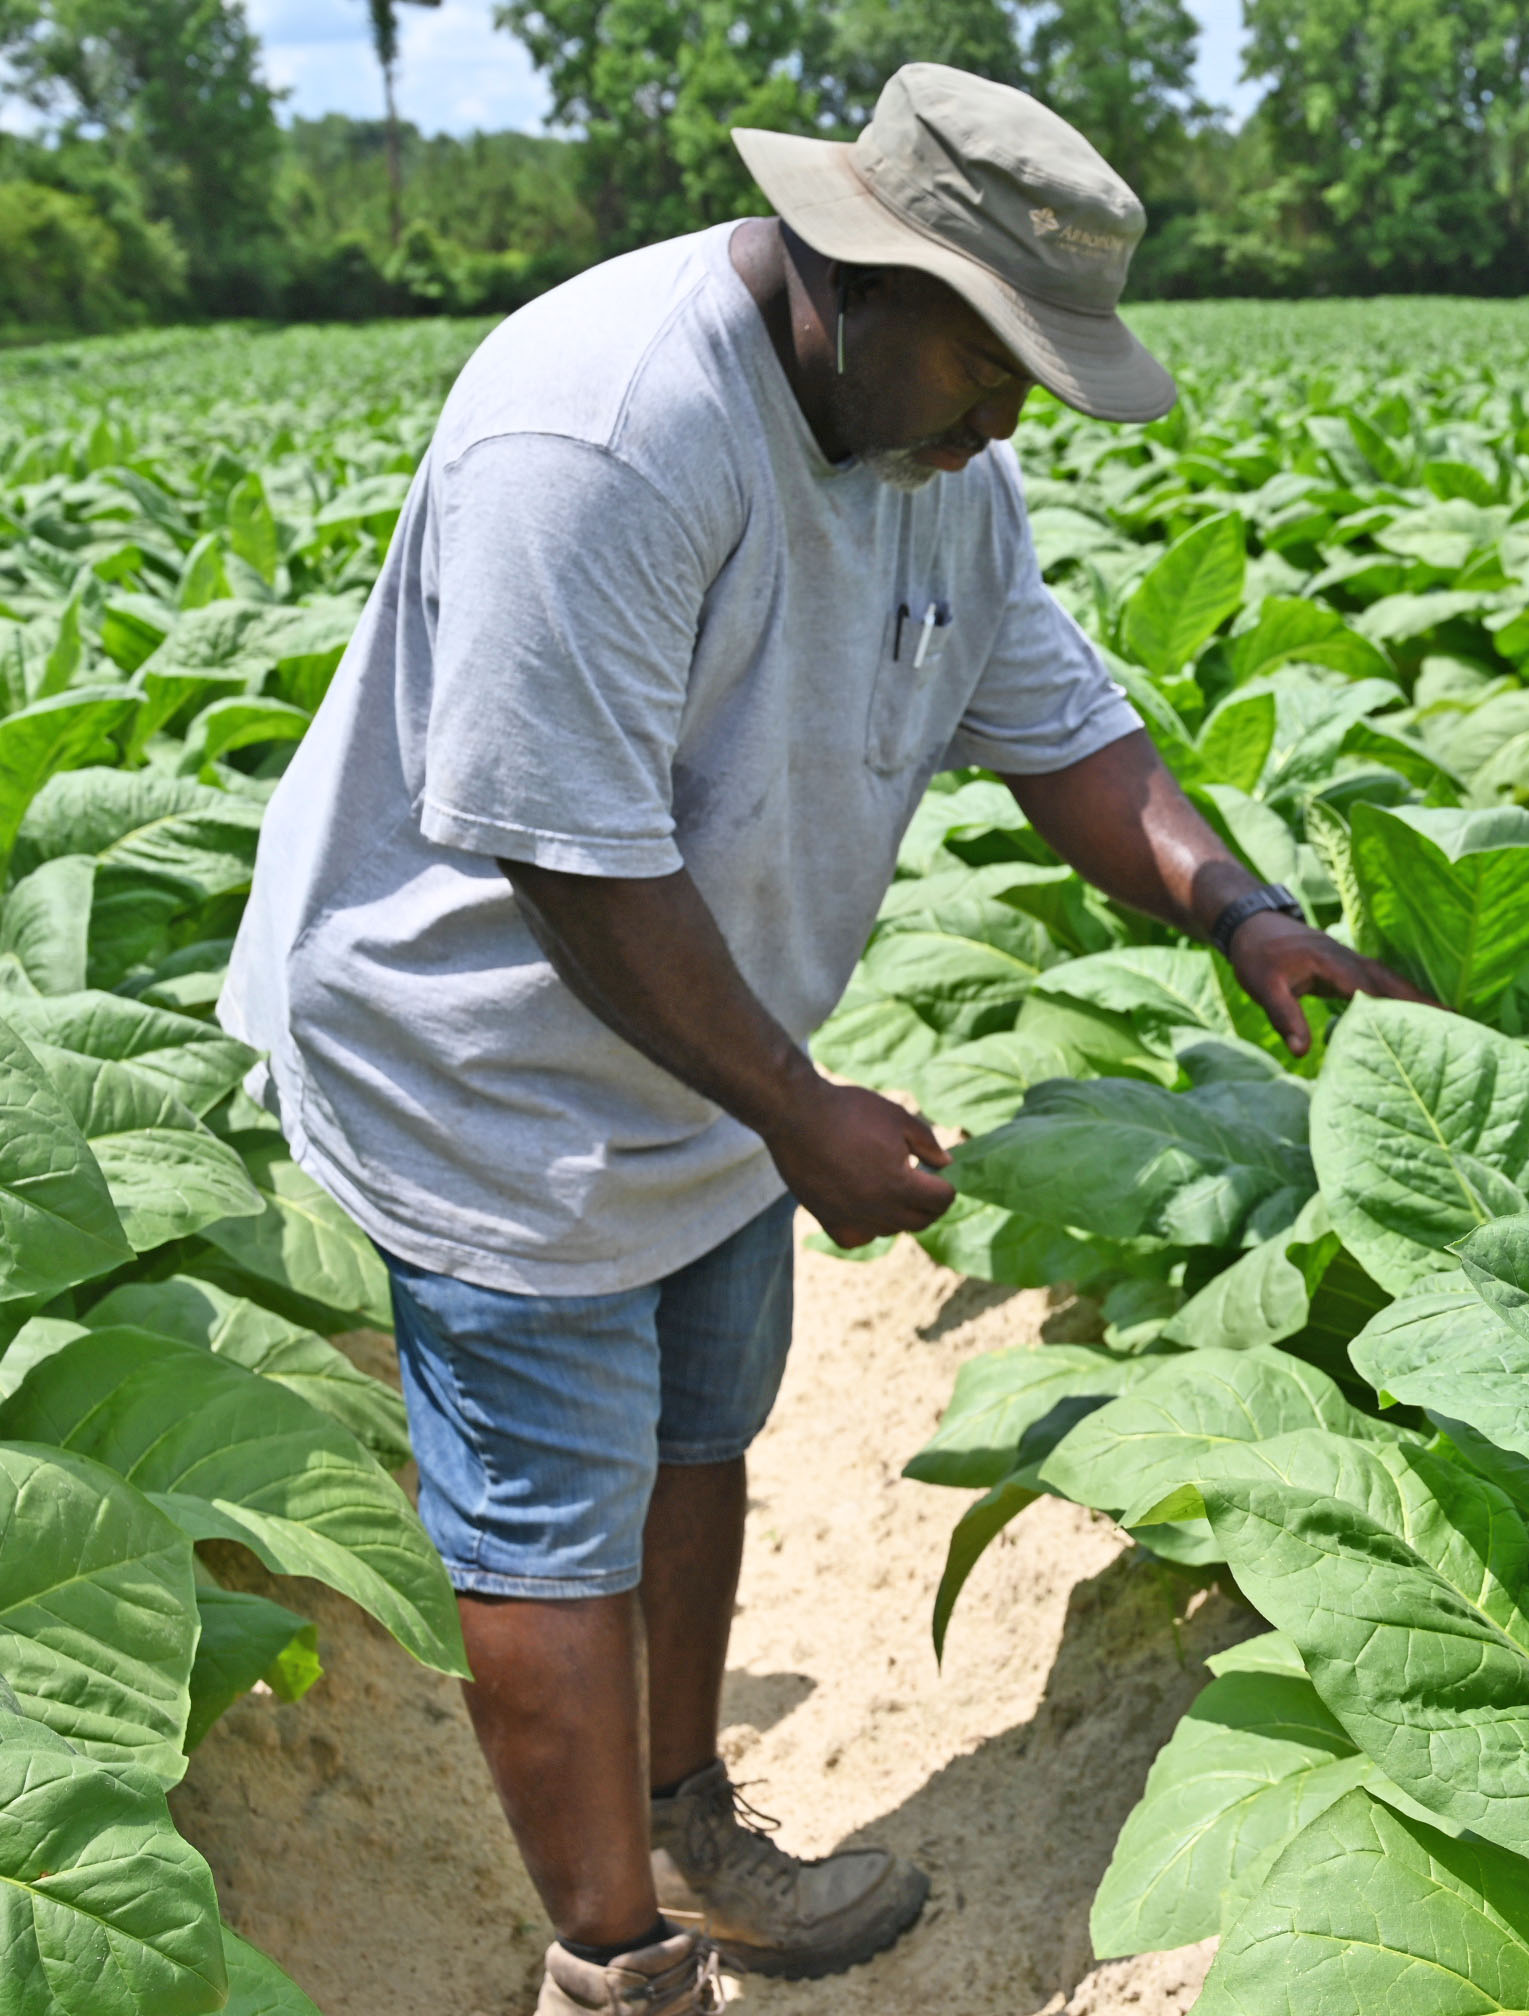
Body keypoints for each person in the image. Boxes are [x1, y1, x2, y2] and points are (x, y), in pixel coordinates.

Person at [218, 65, 1423, 2016]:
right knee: (548, 1527)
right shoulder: (604, 429)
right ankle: (612, 1968)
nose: (1016, 411)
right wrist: (800, 1114)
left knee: (702, 1428)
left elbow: (1066, 733)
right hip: (483, 1068)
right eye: (996, 358)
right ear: (854, 276)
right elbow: (563, 859)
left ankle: (689, 1827)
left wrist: (1245, 913)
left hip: (713, 1065)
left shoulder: (937, 464)